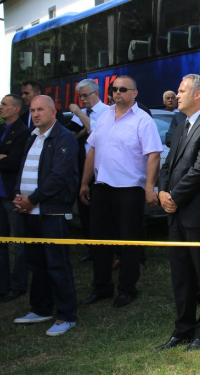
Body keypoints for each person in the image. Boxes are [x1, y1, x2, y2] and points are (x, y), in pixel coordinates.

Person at [155, 74, 200, 352]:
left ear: (198, 94)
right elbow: (168, 164)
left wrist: (174, 196)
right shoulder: (182, 125)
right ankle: (182, 329)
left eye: (182, 90)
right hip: (176, 213)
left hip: (199, 213)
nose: (177, 94)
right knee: (181, 273)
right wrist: (162, 191)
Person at [79, 76, 162, 309]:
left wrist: (149, 188)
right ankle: (102, 287)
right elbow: (93, 150)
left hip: (129, 190)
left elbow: (154, 155)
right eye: (114, 89)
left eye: (123, 89)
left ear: (134, 93)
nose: (117, 93)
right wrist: (85, 182)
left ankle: (127, 289)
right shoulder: (104, 116)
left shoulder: (143, 120)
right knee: (99, 241)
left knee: (129, 242)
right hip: (102, 187)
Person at [13, 95, 79, 337]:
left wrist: (32, 199)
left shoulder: (65, 138)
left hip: (52, 212)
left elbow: (58, 178)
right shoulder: (33, 137)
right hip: (29, 212)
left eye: (40, 109)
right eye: (32, 111)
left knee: (57, 264)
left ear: (53, 112)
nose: (35, 114)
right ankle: (40, 309)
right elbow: (24, 169)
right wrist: (18, 197)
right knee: (37, 263)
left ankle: (66, 315)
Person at [68, 79, 109, 263]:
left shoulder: (107, 111)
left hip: (100, 170)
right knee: (84, 212)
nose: (82, 100)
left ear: (96, 93)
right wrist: (83, 129)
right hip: (81, 167)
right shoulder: (82, 114)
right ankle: (91, 248)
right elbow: (72, 136)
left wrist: (78, 112)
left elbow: (96, 130)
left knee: (100, 213)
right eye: (80, 96)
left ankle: (105, 249)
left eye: (85, 95)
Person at [0, 94, 31, 303]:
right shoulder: (1, 130)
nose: (0, 107)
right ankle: (2, 285)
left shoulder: (22, 132)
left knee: (19, 241)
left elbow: (12, 163)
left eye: (4, 104)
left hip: (12, 195)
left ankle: (18, 285)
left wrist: (5, 157)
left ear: (16, 109)